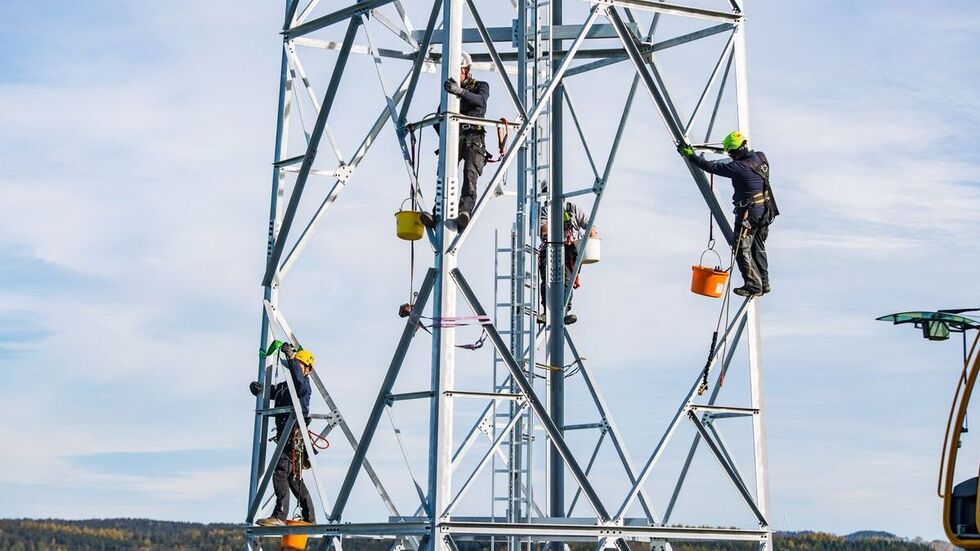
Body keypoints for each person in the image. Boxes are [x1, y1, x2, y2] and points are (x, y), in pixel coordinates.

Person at [678, 131, 772, 297]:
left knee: (741, 248)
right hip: (765, 211)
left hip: (749, 214)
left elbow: (711, 167)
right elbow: (733, 162)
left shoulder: (739, 167)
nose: (731, 156)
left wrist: (690, 156)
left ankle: (753, 285)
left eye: (732, 153)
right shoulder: (760, 157)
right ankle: (764, 283)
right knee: (758, 248)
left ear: (737, 151)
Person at [420, 52, 490, 231]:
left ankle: (464, 211)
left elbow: (480, 101)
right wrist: (445, 135)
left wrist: (460, 92)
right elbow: (438, 119)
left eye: (456, 70)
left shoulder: (480, 86)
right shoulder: (450, 96)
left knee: (469, 173)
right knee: (444, 175)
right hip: (455, 137)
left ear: (466, 70)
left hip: (474, 138)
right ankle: (437, 213)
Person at [254, 343, 316, 526]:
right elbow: (273, 393)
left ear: (307, 369)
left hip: (293, 436)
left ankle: (280, 516)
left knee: (280, 471)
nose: (296, 367)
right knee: (292, 477)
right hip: (287, 436)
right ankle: (309, 517)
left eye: (300, 365)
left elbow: (298, 381)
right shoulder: (285, 386)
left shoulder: (303, 385)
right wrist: (259, 390)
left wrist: (291, 358)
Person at [538, 202, 598, 325]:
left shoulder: (573, 209)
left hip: (569, 250)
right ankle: (547, 311)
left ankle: (564, 311)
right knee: (547, 281)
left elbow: (591, 227)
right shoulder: (545, 211)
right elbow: (543, 231)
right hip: (550, 250)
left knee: (567, 281)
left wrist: (591, 239)